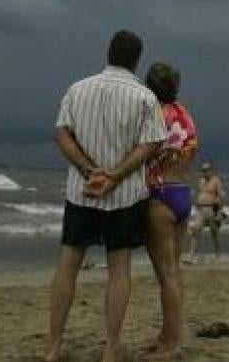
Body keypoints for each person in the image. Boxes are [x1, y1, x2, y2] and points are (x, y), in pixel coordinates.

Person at [46, 30, 168, 362]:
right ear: (137, 59)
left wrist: (89, 170)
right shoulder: (145, 98)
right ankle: (110, 348)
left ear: (109, 52)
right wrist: (114, 175)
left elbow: (61, 133)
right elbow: (151, 144)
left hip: (81, 191)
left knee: (67, 265)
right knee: (119, 269)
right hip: (125, 194)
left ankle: (54, 347)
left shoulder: (77, 88)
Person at [142, 62, 199, 359]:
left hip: (160, 194)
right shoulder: (184, 114)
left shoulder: (154, 115)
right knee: (173, 272)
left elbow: (143, 153)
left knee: (166, 275)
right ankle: (168, 334)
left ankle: (172, 343)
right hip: (182, 192)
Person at [187, 161, 226, 261]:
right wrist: (196, 206)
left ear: (211, 170)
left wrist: (220, 212)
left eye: (206, 170)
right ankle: (191, 255)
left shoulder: (216, 181)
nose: (204, 172)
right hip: (200, 210)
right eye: (203, 170)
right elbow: (200, 194)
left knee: (214, 233)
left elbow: (221, 196)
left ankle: (218, 254)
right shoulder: (201, 181)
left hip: (212, 209)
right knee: (196, 230)